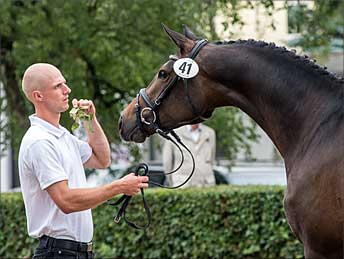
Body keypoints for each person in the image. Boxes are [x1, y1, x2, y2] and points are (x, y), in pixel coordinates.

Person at [18, 63, 149, 259]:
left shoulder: (61, 135)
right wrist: (118, 187)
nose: (67, 90)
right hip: (58, 253)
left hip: (75, 252)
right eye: (57, 86)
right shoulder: (39, 141)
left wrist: (89, 119)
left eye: (65, 83)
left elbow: (102, 159)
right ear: (38, 96)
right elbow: (66, 200)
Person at [162, 123, 216, 188]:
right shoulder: (173, 133)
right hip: (182, 186)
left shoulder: (210, 133)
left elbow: (211, 159)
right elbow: (167, 162)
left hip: (206, 185)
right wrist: (174, 182)